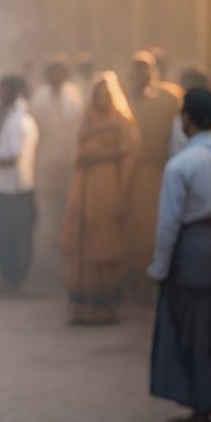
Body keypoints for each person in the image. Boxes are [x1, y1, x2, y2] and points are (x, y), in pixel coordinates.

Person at [148, 88, 211, 422]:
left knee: (193, 333)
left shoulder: (180, 164)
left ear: (186, 118)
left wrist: (159, 267)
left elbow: (168, 225)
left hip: (193, 252)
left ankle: (203, 410)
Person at [61, 73, 140, 324]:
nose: (102, 98)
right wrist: (87, 156)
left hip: (110, 185)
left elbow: (131, 151)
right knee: (85, 241)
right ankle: (83, 309)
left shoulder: (122, 120)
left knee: (106, 242)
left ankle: (108, 309)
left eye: (106, 94)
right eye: (97, 94)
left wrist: (103, 154)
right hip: (87, 187)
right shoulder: (87, 118)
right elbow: (77, 151)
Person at [124, 52, 181, 300]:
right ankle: (137, 280)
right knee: (136, 229)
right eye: (137, 69)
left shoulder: (170, 98)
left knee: (161, 226)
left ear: (155, 70)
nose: (141, 74)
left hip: (163, 170)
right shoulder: (123, 100)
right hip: (134, 174)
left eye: (146, 68)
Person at [0, 75, 40, 291]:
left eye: (1, 89)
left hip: (13, 189)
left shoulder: (18, 121)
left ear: (10, 91)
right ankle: (11, 280)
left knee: (12, 239)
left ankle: (14, 280)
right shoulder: (10, 117)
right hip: (6, 187)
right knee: (6, 238)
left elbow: (13, 158)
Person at [30, 58, 83, 266]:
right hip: (46, 158)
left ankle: (67, 248)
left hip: (69, 159)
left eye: (60, 73)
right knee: (48, 205)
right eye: (53, 73)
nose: (57, 77)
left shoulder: (74, 95)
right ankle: (48, 253)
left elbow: (78, 126)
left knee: (67, 205)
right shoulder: (39, 96)